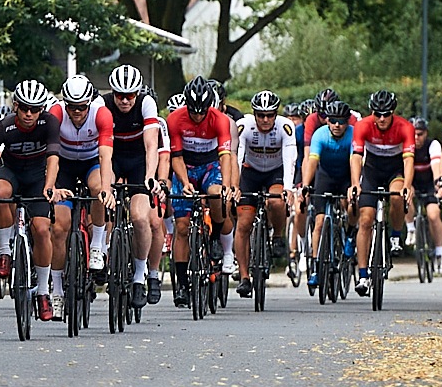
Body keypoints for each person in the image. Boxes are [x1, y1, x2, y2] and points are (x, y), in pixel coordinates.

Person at [0, 80, 63, 321]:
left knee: (41, 229)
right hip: (13, 173)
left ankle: (42, 293)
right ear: (15, 106)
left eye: (35, 109)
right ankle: (5, 252)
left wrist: (49, 185)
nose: (29, 114)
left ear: (42, 110)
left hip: (38, 177)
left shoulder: (49, 123)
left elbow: (53, 158)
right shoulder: (3, 127)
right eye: (25, 108)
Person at [167, 76, 236, 307]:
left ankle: (215, 237)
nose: (197, 117)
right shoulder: (175, 119)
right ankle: (183, 285)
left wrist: (226, 185)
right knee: (182, 226)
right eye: (193, 112)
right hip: (185, 166)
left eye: (202, 112)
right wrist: (185, 182)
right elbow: (175, 157)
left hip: (209, 165)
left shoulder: (220, 120)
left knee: (217, 193)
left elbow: (226, 156)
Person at [46, 74, 113, 310]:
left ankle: (96, 246)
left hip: (91, 162)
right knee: (59, 228)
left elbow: (105, 155)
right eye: (72, 107)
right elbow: (52, 154)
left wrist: (106, 188)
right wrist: (51, 187)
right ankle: (56, 291)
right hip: (63, 164)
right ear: (65, 104)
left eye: (82, 107)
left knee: (98, 189)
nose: (77, 112)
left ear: (89, 103)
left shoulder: (101, 114)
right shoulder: (55, 113)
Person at [103, 65, 164, 308]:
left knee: (140, 217)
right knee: (105, 206)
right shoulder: (103, 104)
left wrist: (150, 176)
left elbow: (151, 146)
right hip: (113, 157)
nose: (125, 100)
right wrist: (106, 184)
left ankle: (140, 275)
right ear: (112, 93)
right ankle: (104, 252)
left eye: (130, 95)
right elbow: (103, 151)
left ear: (137, 93)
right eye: (120, 95)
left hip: (139, 161)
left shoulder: (146, 103)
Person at [232, 90, 298, 298]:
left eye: (270, 114)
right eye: (261, 115)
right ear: (254, 114)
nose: (266, 119)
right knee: (243, 223)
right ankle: (244, 277)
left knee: (277, 202)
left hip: (274, 173)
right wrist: (235, 185)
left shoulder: (285, 127)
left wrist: (288, 187)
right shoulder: (243, 125)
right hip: (250, 172)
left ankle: (277, 235)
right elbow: (237, 155)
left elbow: (290, 157)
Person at [350, 90, 414, 296]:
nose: (382, 118)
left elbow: (408, 160)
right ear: (372, 112)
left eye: (386, 114)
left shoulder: (405, 127)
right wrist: (355, 184)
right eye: (377, 114)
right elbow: (357, 157)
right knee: (366, 220)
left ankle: (395, 236)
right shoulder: (363, 126)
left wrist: (408, 185)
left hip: (394, 171)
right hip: (372, 171)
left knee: (396, 196)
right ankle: (362, 275)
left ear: (393, 112)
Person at [300, 100, 355, 292]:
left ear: (347, 121)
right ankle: (316, 267)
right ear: (327, 121)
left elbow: (355, 161)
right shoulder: (320, 135)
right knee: (320, 222)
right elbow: (312, 161)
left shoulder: (352, 135)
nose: (337, 125)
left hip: (347, 175)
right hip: (326, 176)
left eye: (341, 121)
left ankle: (350, 234)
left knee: (352, 204)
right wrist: (306, 185)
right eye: (333, 120)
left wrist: (354, 186)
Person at [408, 117, 442, 269]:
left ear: (426, 133)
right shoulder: (405, 145)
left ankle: (438, 251)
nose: (416, 138)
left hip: (429, 183)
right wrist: (408, 185)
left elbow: (436, 167)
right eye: (413, 134)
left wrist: (438, 185)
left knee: (433, 215)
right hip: (412, 182)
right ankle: (410, 229)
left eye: (420, 134)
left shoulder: (433, 145)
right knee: (404, 195)